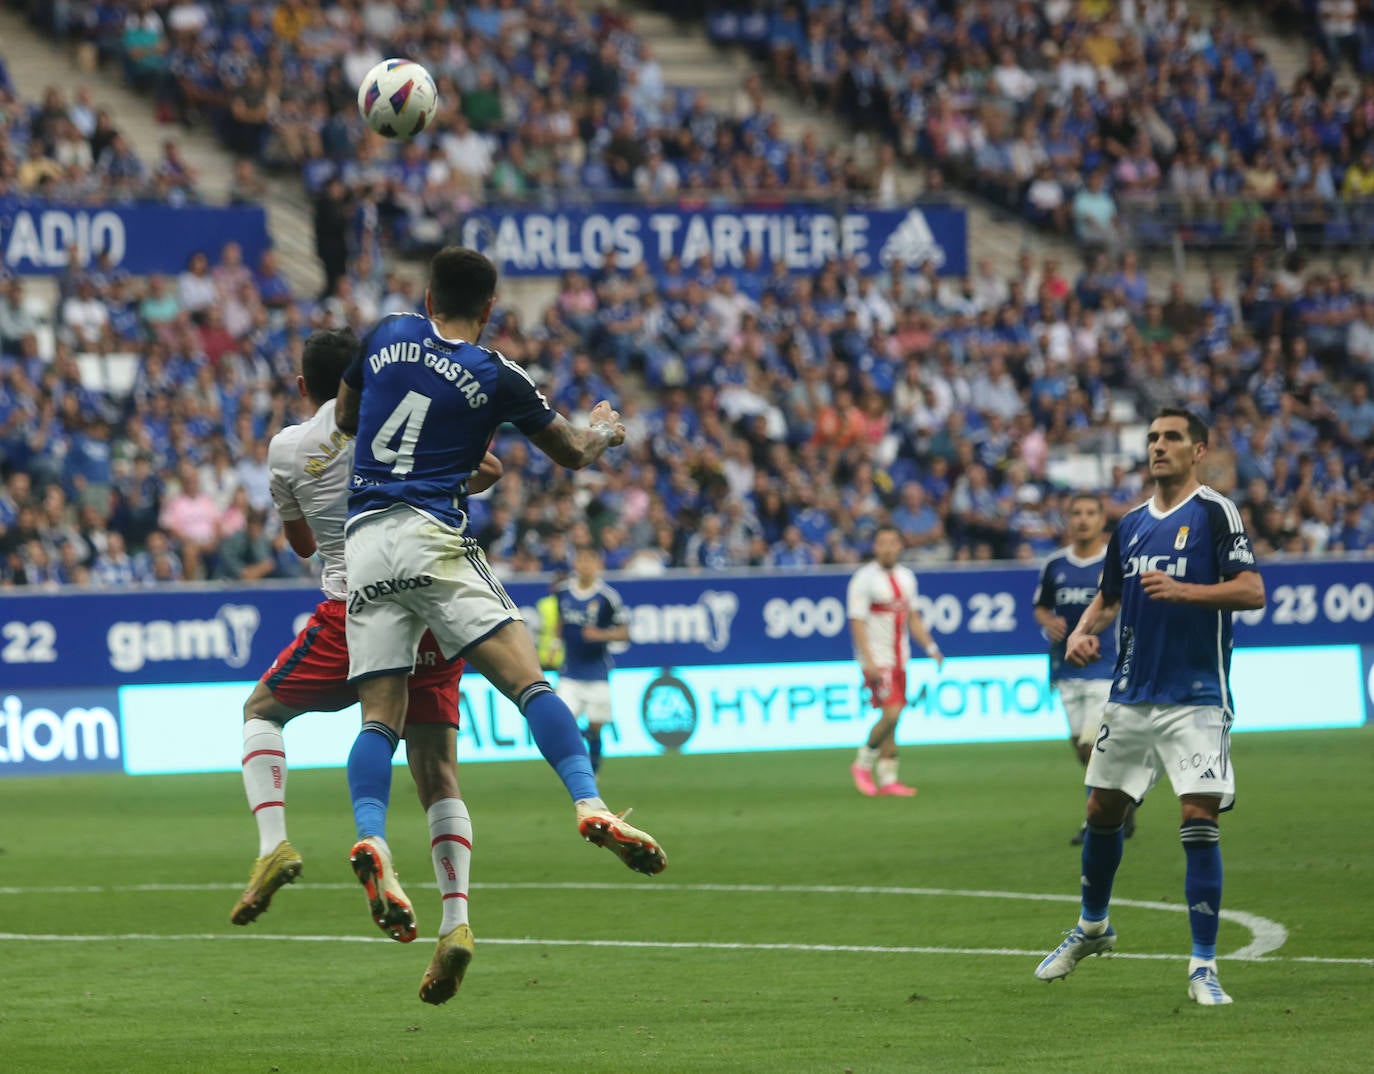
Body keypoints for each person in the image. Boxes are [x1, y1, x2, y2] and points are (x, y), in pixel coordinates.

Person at [334, 248, 667, 980]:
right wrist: (605, 429)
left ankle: (372, 840)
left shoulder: (385, 332)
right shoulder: (496, 373)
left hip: (363, 542)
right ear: (489, 308)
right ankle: (588, 802)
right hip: (430, 534)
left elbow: (351, 415)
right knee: (530, 683)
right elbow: (572, 453)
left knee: (380, 722)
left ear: (426, 294)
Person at [229, 329, 501, 1007]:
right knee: (438, 773)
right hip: (430, 602)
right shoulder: (405, 421)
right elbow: (487, 471)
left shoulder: (288, 448)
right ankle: (456, 921)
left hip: (352, 605)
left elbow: (298, 545)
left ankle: (276, 845)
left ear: (303, 387)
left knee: (262, 711)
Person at [1034, 408, 1265, 1006]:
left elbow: (1251, 590)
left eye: (1171, 438)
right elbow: (1109, 598)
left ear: (1198, 450)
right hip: (1131, 694)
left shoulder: (1216, 512)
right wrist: (1085, 632)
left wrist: (1186, 589)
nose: (1159, 446)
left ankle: (1204, 966)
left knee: (1198, 818)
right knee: (1100, 809)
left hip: (1196, 698)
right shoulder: (1131, 523)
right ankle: (1092, 927)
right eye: (1153, 438)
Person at [1032, 493, 1133, 846]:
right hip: (1066, 669)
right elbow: (1041, 607)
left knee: (1092, 745)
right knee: (1080, 747)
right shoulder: (1055, 564)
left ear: (1103, 518)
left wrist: (1089, 632)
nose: (1083, 519)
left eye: (1091, 512)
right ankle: (1122, 798)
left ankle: (1097, 819)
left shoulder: (1115, 561)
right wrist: (1049, 623)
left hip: (1105, 667)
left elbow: (1120, 606)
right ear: (1066, 518)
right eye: (1076, 513)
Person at [845, 524, 944, 797]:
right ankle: (862, 763)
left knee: (894, 719)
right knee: (892, 712)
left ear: (900, 546)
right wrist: (869, 661)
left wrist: (931, 646)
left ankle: (888, 779)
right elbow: (857, 622)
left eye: (892, 542)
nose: (887, 548)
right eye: (882, 543)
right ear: (875, 546)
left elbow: (912, 616)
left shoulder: (907, 577)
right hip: (878, 659)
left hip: (901, 657)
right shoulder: (863, 579)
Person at [552, 545, 631, 773]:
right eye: (581, 561)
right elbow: (560, 621)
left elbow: (624, 633)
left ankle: (593, 775)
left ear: (598, 565)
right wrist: (555, 646)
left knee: (596, 728)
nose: (585, 566)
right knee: (562, 722)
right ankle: (576, 768)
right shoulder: (563, 592)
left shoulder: (608, 597)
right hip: (570, 672)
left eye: (590, 561)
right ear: (575, 564)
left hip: (597, 671)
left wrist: (602, 634)